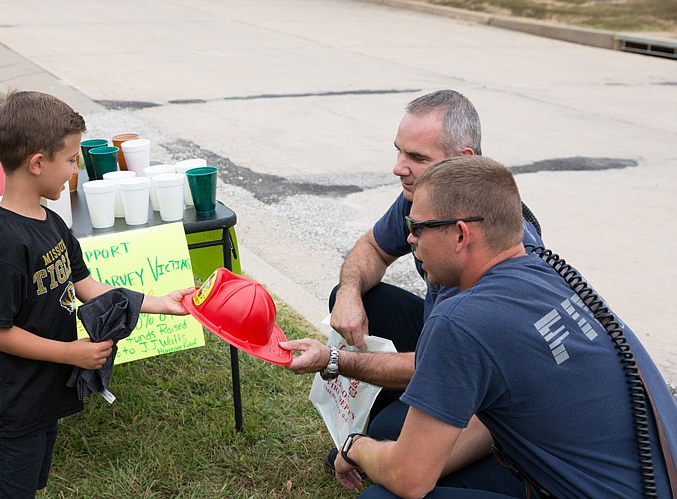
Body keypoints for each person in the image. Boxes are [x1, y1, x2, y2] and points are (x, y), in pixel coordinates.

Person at [328, 156, 677, 498]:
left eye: (417, 228)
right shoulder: (548, 274)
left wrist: (357, 448)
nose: (410, 239)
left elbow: (409, 479)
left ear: (461, 235)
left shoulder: (462, 320)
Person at [283, 90, 544, 449]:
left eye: (417, 156)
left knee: (381, 436)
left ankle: (393, 421)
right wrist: (347, 294)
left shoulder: (501, 245)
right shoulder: (424, 196)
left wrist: (333, 360)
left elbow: (440, 360)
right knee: (357, 293)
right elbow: (373, 247)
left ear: (460, 159)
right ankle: (389, 408)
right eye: (399, 150)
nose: (398, 167)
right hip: (444, 338)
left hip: (479, 380)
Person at [0, 90, 194, 499]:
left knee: (27, 486)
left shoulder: (49, 220)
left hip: (39, 399)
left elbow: (86, 286)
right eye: (70, 160)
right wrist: (70, 353)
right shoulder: (6, 245)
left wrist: (158, 303)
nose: (74, 170)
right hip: (9, 408)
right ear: (37, 163)